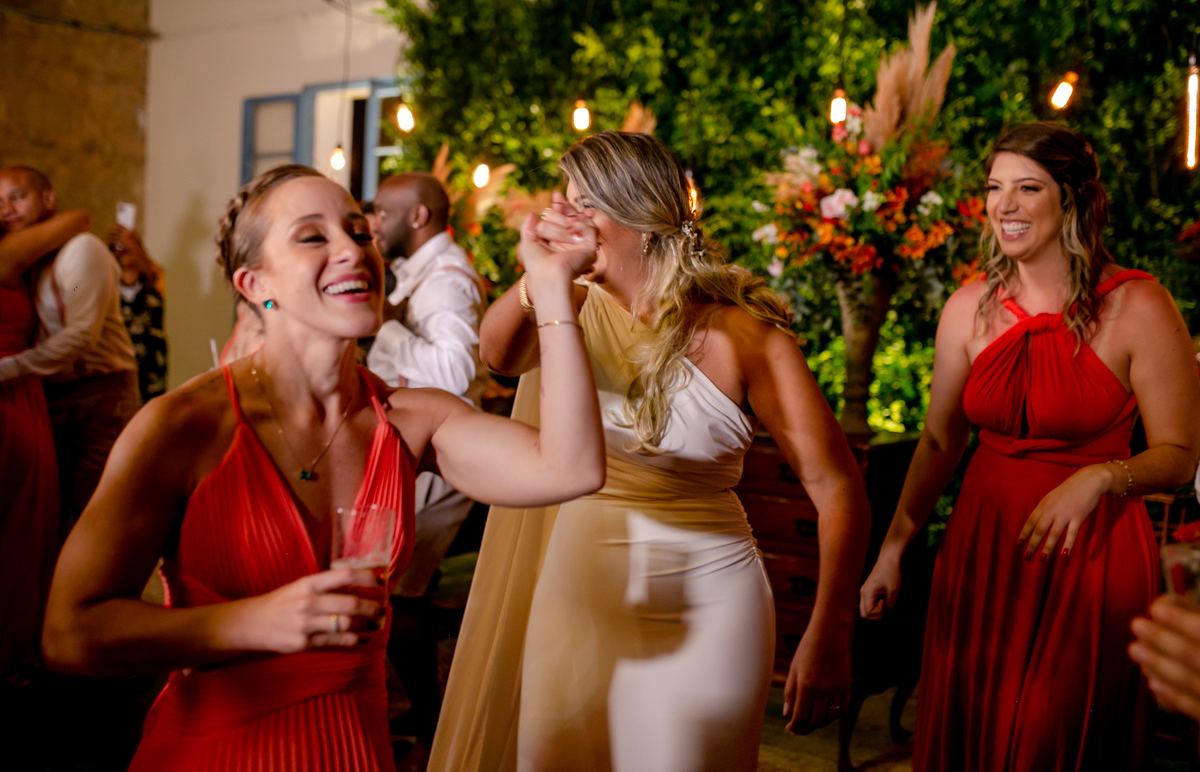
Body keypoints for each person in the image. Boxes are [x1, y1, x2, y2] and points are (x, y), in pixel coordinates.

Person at [41, 164, 605, 771]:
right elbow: (69, 633)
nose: (353, 251)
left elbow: (571, 468)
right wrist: (253, 624)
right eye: (313, 237)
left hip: (356, 751)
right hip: (217, 753)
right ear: (255, 283)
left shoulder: (412, 419)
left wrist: (550, 285)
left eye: (360, 233)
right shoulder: (184, 426)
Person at [430, 131, 870, 772]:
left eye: (584, 204)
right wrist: (540, 279)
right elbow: (497, 357)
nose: (565, 217)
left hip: (709, 603)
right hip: (578, 590)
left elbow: (838, 487)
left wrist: (832, 630)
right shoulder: (566, 307)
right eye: (565, 201)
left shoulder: (744, 335)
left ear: (638, 213)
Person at [859, 122, 1200, 770]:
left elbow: (1180, 454)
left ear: (1072, 199)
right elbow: (939, 440)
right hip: (983, 549)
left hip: (1091, 557)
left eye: (1028, 188)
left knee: (1054, 739)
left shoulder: (1139, 306)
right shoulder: (967, 309)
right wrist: (894, 548)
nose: (1004, 205)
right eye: (995, 188)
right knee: (975, 728)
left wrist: (1102, 476)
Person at [366, 172, 489, 751]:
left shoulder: (445, 282)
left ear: (418, 216)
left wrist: (387, 329)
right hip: (414, 449)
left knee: (395, 590)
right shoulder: (421, 273)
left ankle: (431, 720)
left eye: (382, 213)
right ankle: (425, 713)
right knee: (397, 589)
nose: (373, 224)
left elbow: (455, 372)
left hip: (436, 457)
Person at [0, 166, 139, 529]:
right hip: (51, 394)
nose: (7, 210)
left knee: (97, 512)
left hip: (99, 394)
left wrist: (7, 370)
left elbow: (81, 335)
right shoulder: (30, 257)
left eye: (17, 197)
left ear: (48, 199)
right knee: (52, 512)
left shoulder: (81, 251)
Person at [0, 205, 90, 682]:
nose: (5, 208)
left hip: (18, 390)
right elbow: (78, 217)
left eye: (13, 198)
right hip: (11, 394)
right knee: (19, 524)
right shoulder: (9, 253)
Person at [109, 225, 168, 401]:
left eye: (128, 247)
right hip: (118, 362)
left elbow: (153, 273)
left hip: (151, 364)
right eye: (119, 247)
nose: (124, 250)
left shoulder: (155, 279)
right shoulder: (107, 283)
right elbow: (74, 289)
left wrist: (132, 243)